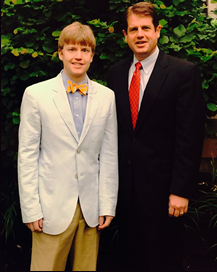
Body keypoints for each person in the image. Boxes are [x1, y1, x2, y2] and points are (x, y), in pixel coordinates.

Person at [107, 2, 205, 271]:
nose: (140, 34)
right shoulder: (115, 74)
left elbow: (190, 136)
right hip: (125, 194)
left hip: (164, 195)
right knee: (130, 261)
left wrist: (180, 191)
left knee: (164, 261)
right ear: (125, 35)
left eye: (145, 28)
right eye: (133, 29)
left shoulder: (183, 72)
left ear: (158, 31)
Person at [18, 21, 118, 271]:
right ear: (60, 52)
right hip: (50, 207)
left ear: (92, 56)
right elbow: (27, 155)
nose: (78, 56)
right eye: (72, 49)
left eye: (85, 50)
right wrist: (31, 209)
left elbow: (108, 154)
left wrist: (107, 204)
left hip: (90, 207)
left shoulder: (106, 97)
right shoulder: (36, 94)